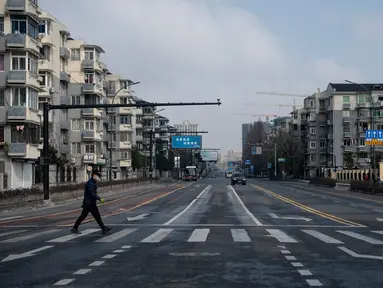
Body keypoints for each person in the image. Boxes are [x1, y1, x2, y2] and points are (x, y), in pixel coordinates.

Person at [71, 169, 111, 234]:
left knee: (97, 216)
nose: (99, 178)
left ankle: (103, 228)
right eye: (98, 176)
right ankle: (74, 228)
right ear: (94, 175)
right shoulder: (90, 183)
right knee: (83, 216)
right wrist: (99, 198)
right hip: (88, 203)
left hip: (91, 203)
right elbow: (92, 193)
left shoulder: (93, 182)